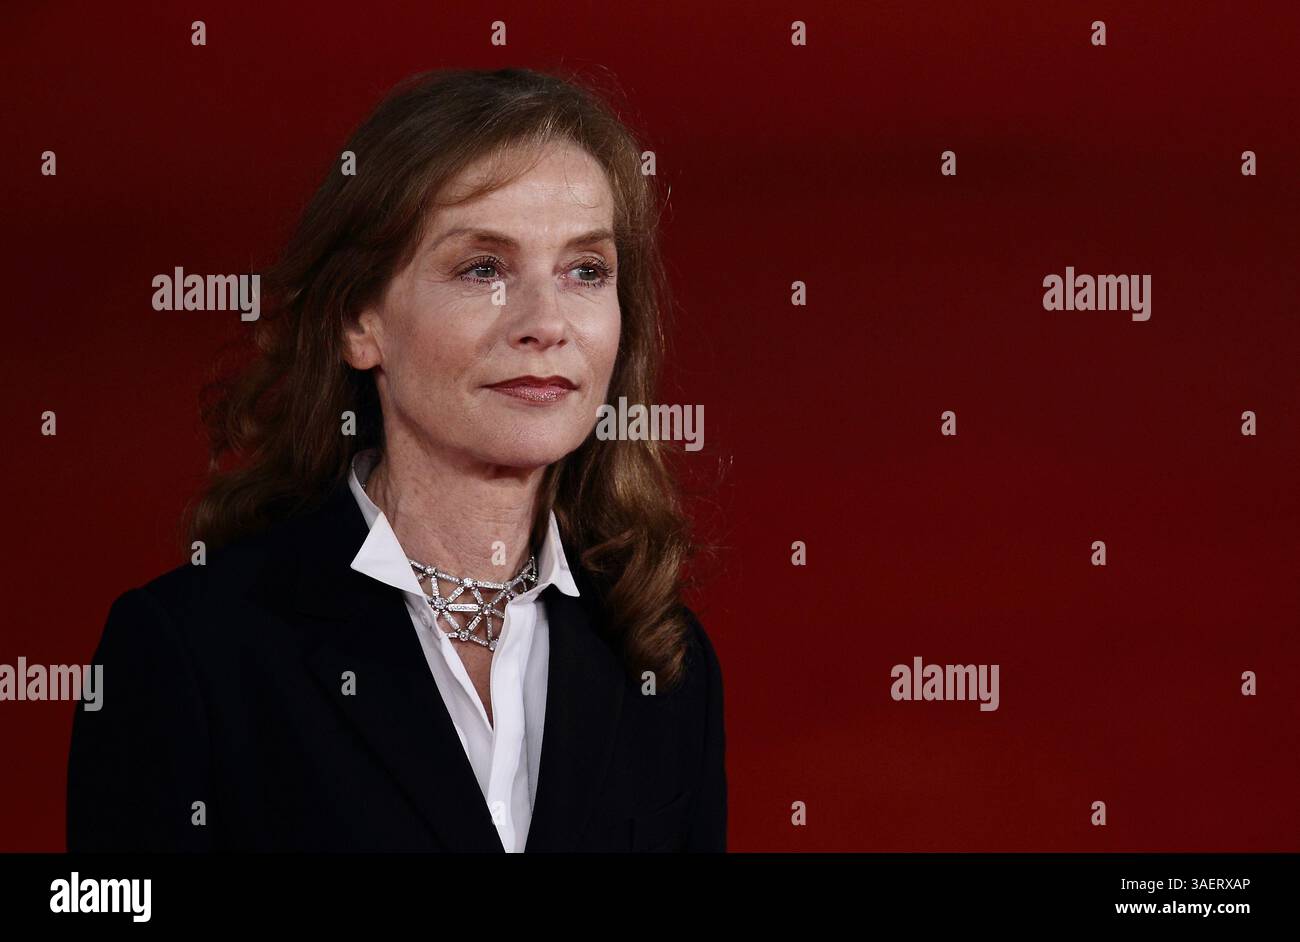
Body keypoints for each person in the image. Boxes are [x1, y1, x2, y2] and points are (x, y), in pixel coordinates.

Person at [66, 67, 725, 853]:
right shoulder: (191, 652)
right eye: (483, 268)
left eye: (586, 271)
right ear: (359, 321)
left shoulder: (661, 660)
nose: (547, 323)